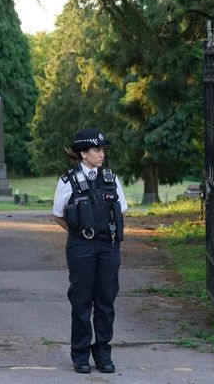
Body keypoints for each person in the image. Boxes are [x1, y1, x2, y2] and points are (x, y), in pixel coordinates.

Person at [51, 128, 127, 374]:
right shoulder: (68, 180)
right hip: (82, 245)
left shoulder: (111, 178)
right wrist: (81, 233)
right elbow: (58, 215)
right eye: (97, 149)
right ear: (84, 153)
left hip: (108, 246)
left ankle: (103, 353)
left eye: (102, 149)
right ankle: (80, 354)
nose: (101, 154)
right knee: (81, 300)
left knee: (106, 300)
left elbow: (121, 209)